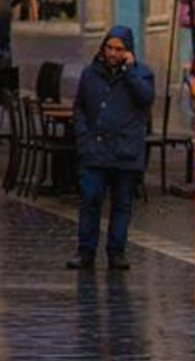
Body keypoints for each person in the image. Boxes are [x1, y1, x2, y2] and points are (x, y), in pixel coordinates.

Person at [67, 25, 156, 271]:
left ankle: (117, 252)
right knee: (90, 198)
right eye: (109, 48)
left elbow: (145, 98)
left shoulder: (142, 74)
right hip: (95, 150)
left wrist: (129, 71)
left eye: (119, 49)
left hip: (124, 151)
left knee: (122, 203)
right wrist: (83, 137)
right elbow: (80, 107)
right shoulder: (90, 74)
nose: (113, 53)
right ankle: (86, 251)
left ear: (128, 51)